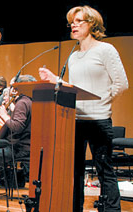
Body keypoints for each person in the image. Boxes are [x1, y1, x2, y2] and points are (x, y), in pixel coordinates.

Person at [38, 5, 128, 212]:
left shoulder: (105, 50)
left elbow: (121, 84)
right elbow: (77, 89)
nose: (74, 25)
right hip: (74, 120)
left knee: (104, 170)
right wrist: (56, 80)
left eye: (79, 21)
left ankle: (112, 210)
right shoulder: (74, 56)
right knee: (74, 171)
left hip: (99, 120)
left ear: (92, 24)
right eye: (72, 21)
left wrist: (102, 102)